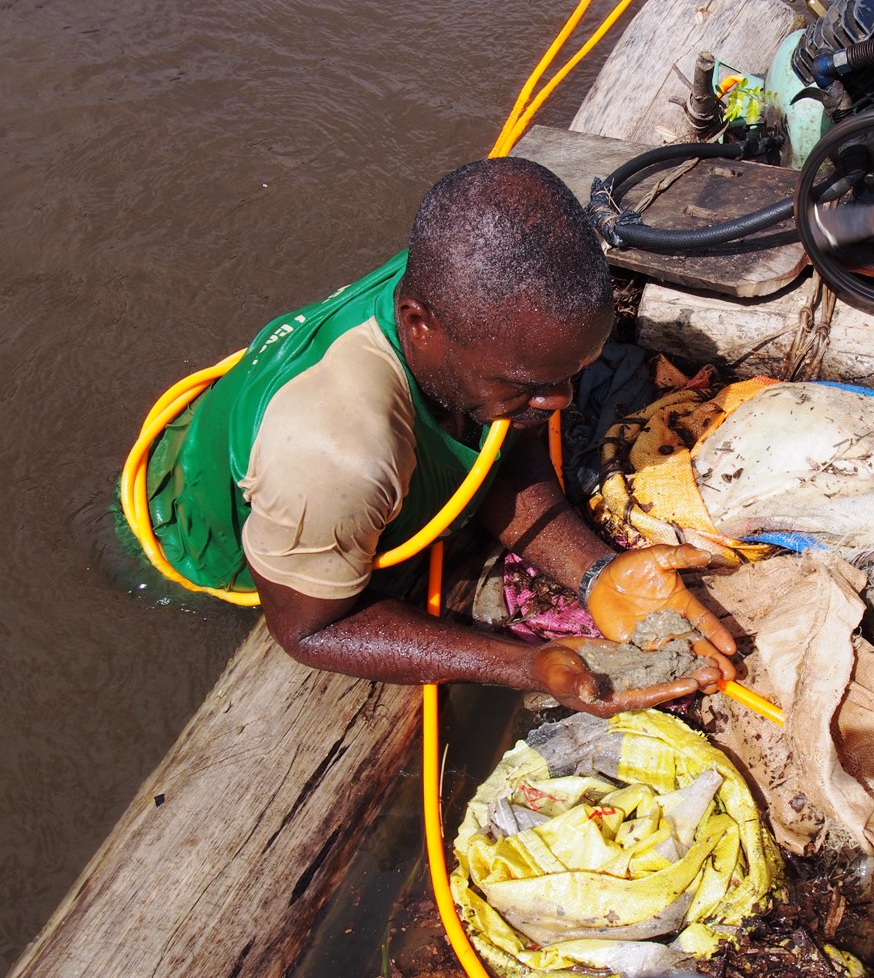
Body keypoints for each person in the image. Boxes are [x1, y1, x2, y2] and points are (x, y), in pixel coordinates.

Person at [141, 157, 737, 715]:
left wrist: (595, 572)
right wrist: (527, 664)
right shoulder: (336, 458)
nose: (559, 401)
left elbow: (499, 456)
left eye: (571, 374)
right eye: (529, 383)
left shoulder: (476, 307)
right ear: (418, 325)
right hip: (202, 540)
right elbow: (309, 628)